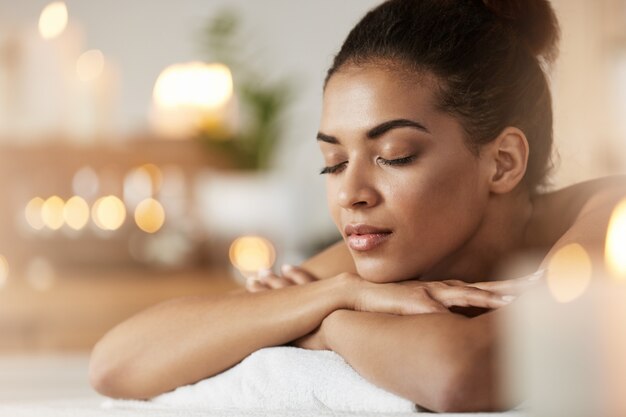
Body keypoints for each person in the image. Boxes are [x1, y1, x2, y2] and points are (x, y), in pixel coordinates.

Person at [89, 0, 626, 412]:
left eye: (395, 155)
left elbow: (462, 374)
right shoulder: (383, 253)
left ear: (504, 162)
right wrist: (340, 292)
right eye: (333, 162)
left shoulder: (609, 221)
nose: (351, 193)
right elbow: (117, 362)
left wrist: (322, 322)